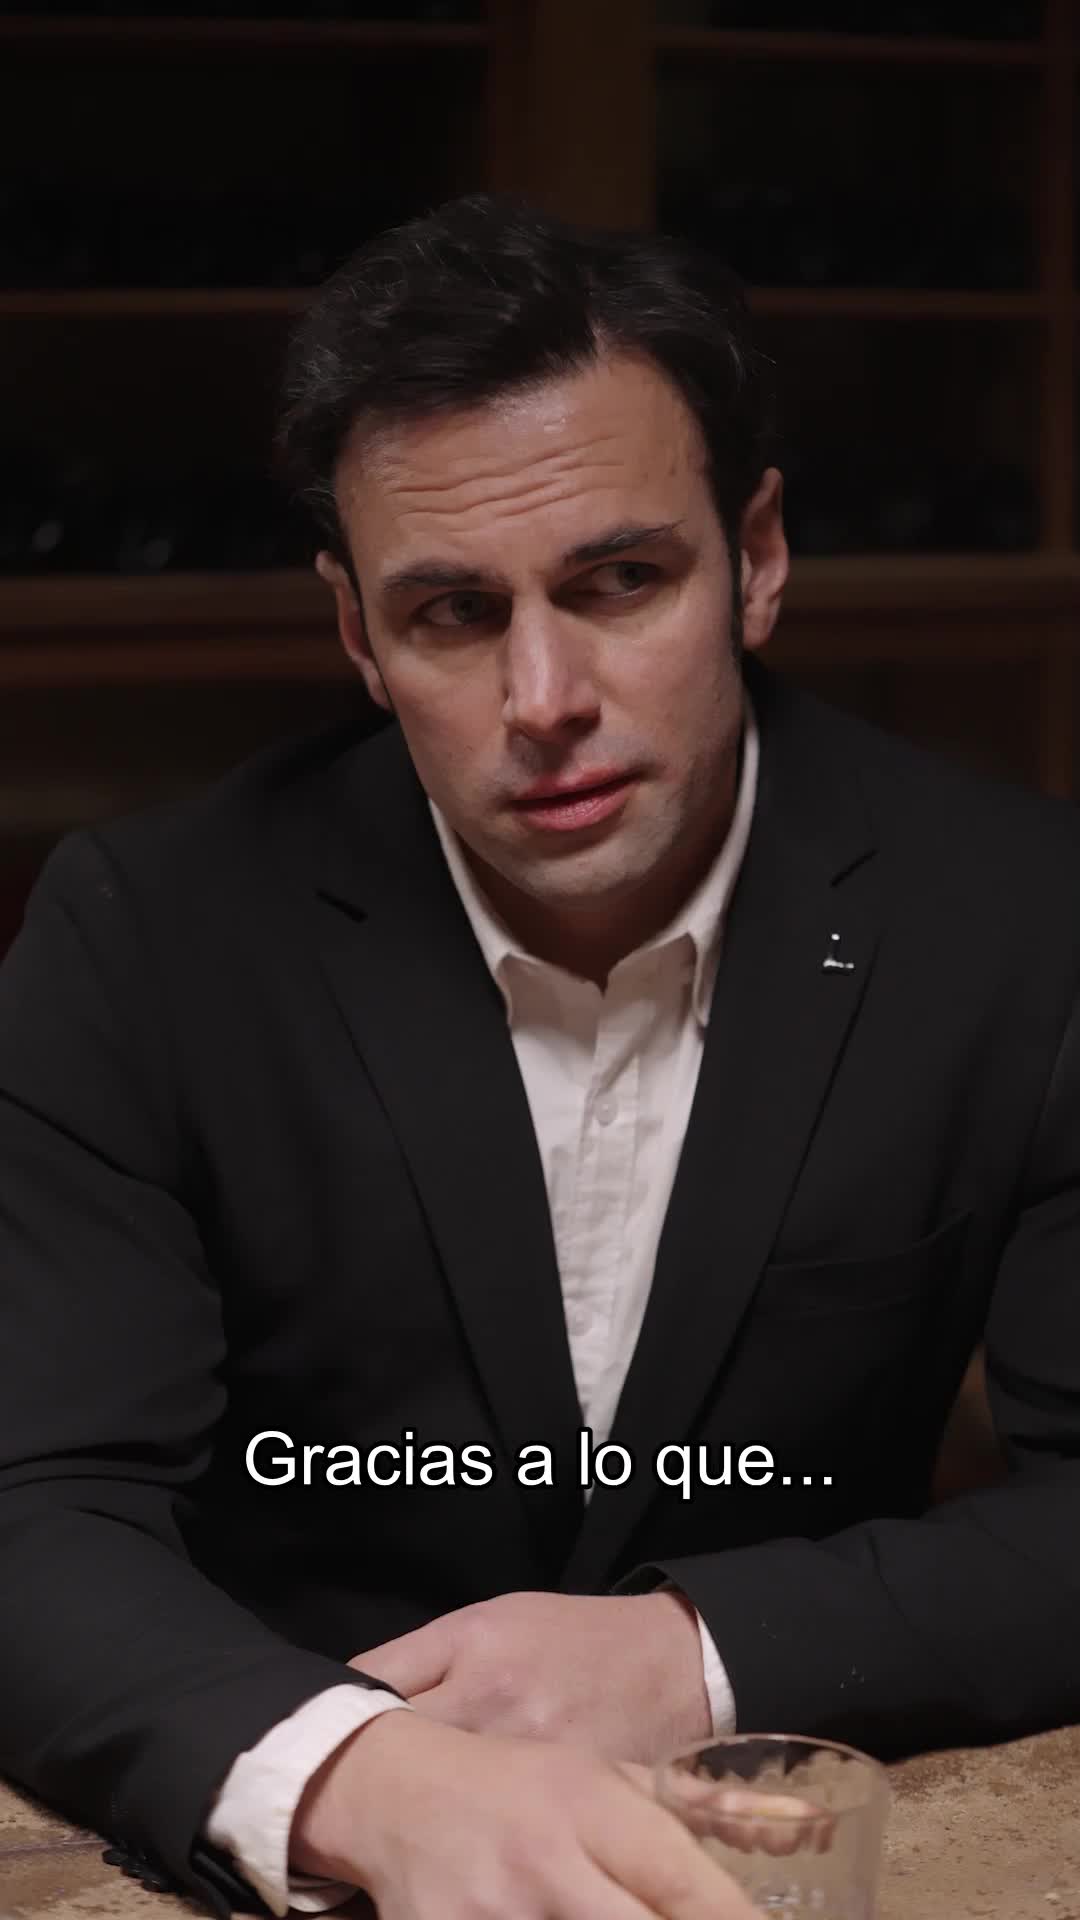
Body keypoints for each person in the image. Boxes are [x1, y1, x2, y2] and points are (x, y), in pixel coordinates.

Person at [1, 191, 1079, 1920]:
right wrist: (346, 1774)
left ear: (760, 557)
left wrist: (699, 1651)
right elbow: (29, 1504)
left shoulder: (1024, 918)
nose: (544, 697)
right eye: (452, 612)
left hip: (776, 1841)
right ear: (358, 636)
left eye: (620, 580)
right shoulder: (145, 934)